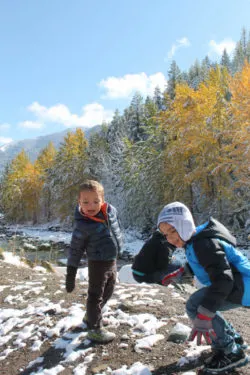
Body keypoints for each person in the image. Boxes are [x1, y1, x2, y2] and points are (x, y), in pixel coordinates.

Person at [157, 201, 250, 374]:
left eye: (172, 230)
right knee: (205, 304)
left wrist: (205, 314)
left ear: (184, 224)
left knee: (197, 305)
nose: (170, 238)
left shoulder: (204, 244)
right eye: (165, 234)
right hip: (240, 284)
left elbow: (223, 280)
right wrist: (182, 273)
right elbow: (201, 262)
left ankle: (230, 351)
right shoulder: (196, 240)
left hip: (241, 286)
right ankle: (232, 340)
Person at [65, 179, 123, 343]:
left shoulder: (110, 212)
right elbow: (75, 249)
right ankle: (94, 329)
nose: (91, 206)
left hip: (112, 259)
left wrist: (121, 245)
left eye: (96, 201)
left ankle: (91, 316)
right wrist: (71, 273)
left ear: (103, 200)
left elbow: (117, 228)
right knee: (95, 294)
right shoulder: (83, 225)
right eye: (86, 202)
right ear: (79, 202)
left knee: (110, 290)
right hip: (97, 262)